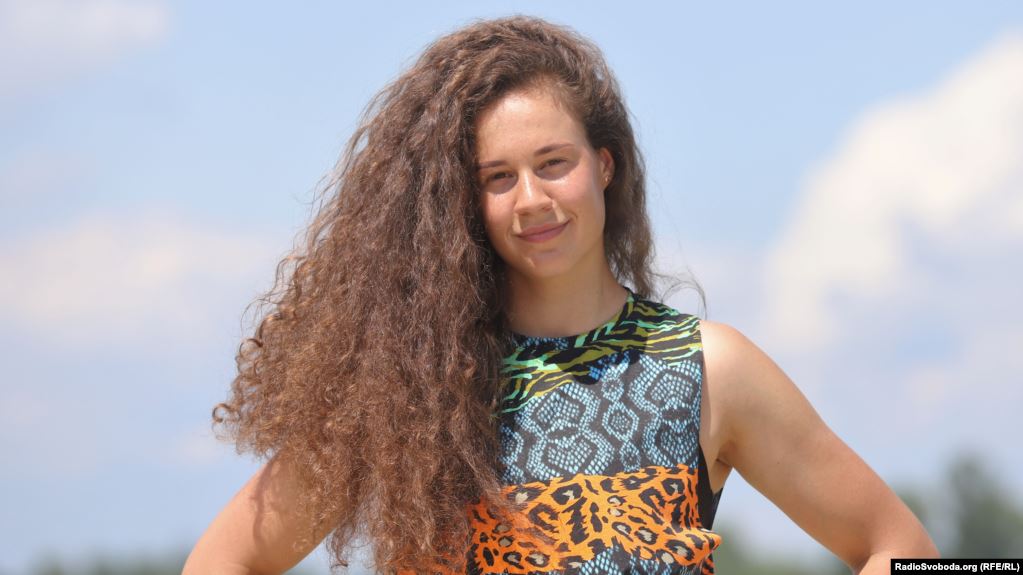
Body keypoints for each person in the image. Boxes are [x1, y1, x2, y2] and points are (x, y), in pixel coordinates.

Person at [183, 16, 938, 575]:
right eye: (497, 177)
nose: (531, 200)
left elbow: (900, 548)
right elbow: (221, 562)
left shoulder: (711, 369)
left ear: (604, 165)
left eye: (553, 163)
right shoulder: (409, 389)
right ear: (459, 202)